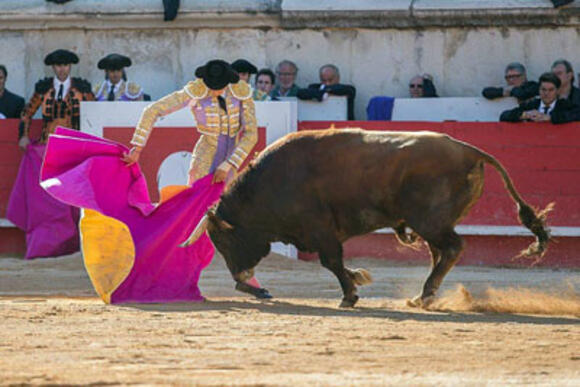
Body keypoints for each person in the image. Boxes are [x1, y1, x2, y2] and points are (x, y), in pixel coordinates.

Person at [122, 59, 271, 298]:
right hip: (205, 158)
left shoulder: (241, 92)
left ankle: (245, 277)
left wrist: (230, 163)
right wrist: (137, 147)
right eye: (211, 85)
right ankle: (174, 275)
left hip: (231, 160)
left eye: (218, 86)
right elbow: (153, 110)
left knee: (234, 221)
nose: (213, 90)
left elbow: (251, 134)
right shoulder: (196, 90)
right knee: (192, 220)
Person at [18, 49, 94, 149]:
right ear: (53, 67)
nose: (62, 69)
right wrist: (24, 136)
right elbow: (26, 114)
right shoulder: (44, 88)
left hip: (75, 145)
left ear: (70, 66)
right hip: (48, 144)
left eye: (65, 65)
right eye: (58, 65)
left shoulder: (82, 89)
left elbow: (94, 114)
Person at [499, 72, 579, 124]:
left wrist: (550, 117)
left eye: (551, 90)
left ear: (557, 91)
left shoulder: (565, 105)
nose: (546, 93)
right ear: (539, 90)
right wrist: (525, 115)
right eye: (543, 89)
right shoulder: (531, 105)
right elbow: (504, 116)